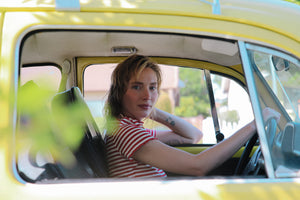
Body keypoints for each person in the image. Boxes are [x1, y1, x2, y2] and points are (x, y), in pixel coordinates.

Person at [104, 54, 280, 178]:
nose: (147, 95)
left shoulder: (129, 128)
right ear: (120, 92)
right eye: (136, 87)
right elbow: (198, 166)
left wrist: (150, 109)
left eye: (152, 88)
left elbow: (193, 135)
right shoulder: (127, 132)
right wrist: (253, 126)